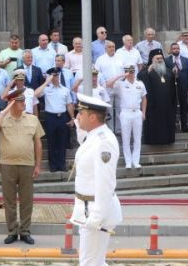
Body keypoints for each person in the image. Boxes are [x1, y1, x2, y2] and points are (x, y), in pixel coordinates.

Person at [0, 87, 44, 245]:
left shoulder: (33, 119)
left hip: (27, 164)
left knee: (27, 200)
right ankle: (12, 231)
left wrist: (38, 165)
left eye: (24, 100)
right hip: (8, 164)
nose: (24, 103)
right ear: (12, 103)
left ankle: (25, 231)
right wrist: (5, 110)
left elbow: (38, 144)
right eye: (20, 101)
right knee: (9, 200)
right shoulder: (2, 118)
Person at [72, 93, 122, 266]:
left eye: (81, 113)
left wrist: (97, 217)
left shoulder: (103, 142)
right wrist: (80, 129)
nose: (77, 117)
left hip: (95, 211)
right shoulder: (94, 136)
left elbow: (105, 182)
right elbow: (86, 149)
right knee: (96, 262)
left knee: (89, 263)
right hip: (87, 208)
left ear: (92, 117)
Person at [107, 65, 147, 168]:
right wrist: (121, 75)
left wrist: (144, 112)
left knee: (137, 139)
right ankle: (128, 162)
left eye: (132, 71)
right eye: (129, 71)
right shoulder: (121, 84)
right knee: (126, 139)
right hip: (125, 113)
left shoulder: (140, 84)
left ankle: (136, 161)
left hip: (137, 112)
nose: (131, 73)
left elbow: (144, 98)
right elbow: (109, 84)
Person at [36, 67, 74, 172]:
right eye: (53, 76)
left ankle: (61, 164)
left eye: (57, 75)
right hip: (50, 117)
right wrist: (46, 82)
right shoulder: (46, 89)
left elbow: (69, 104)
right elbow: (36, 94)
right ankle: (52, 165)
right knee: (51, 142)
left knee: (62, 142)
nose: (55, 78)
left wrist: (72, 118)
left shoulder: (65, 90)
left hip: (62, 117)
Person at [138, 50, 176, 145]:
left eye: (161, 58)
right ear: (152, 59)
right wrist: (148, 72)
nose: (159, 60)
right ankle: (153, 140)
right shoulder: (147, 70)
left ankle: (167, 139)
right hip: (153, 104)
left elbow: (173, 87)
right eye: (157, 58)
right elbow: (140, 78)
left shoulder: (168, 71)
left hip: (167, 103)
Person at [165, 42, 188, 133]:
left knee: (184, 107)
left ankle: (184, 127)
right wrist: (171, 72)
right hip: (172, 87)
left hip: (183, 87)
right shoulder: (167, 60)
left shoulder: (185, 60)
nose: (176, 50)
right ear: (171, 50)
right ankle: (172, 127)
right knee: (172, 107)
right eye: (174, 49)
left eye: (177, 48)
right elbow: (164, 74)